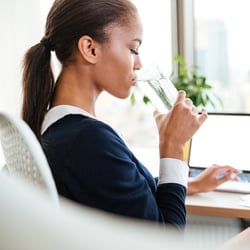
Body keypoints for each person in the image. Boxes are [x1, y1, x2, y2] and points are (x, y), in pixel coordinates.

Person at [21, 0, 238, 229]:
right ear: (90, 49)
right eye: (133, 49)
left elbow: (118, 186)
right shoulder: (88, 140)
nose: (139, 63)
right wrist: (173, 145)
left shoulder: (59, 128)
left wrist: (189, 184)